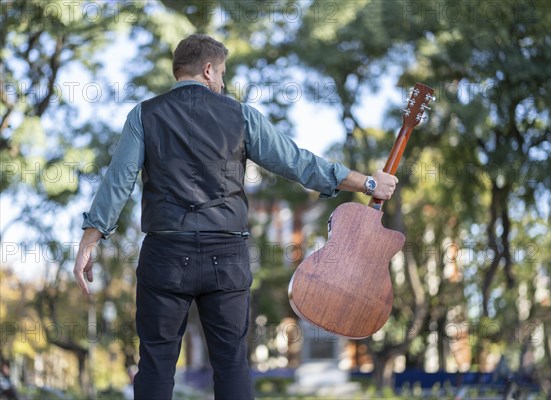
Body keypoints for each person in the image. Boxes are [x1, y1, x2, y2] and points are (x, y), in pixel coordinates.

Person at [73, 34, 398, 400]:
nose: (223, 83)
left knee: (155, 365)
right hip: (226, 258)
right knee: (230, 364)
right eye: (222, 73)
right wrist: (367, 182)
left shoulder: (144, 115)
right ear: (208, 69)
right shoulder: (241, 116)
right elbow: (298, 162)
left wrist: (90, 240)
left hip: (165, 255)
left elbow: (118, 180)